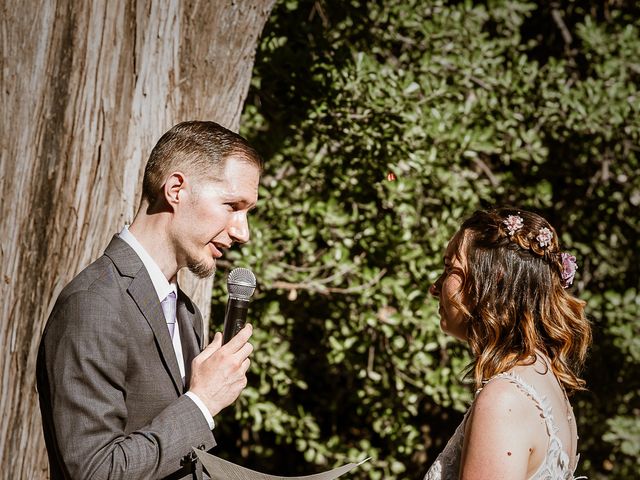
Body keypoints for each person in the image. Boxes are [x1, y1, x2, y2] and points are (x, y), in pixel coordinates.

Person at [37, 121, 262, 479]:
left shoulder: (186, 312)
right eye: (232, 205)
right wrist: (202, 403)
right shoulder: (93, 303)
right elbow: (97, 470)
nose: (243, 231)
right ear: (176, 189)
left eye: (248, 212)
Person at [424, 207, 592, 480]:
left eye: (450, 268)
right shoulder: (545, 384)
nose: (435, 287)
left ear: (493, 282)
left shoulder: (505, 401)